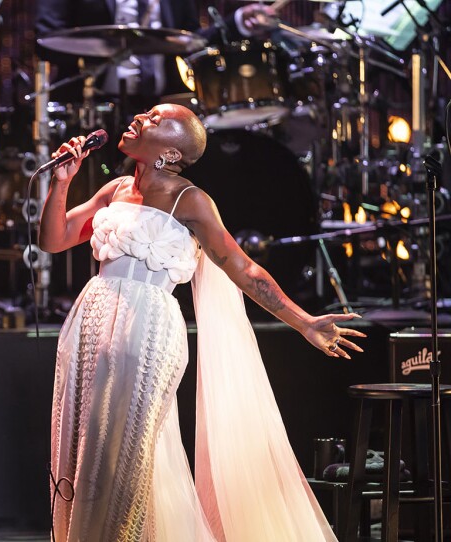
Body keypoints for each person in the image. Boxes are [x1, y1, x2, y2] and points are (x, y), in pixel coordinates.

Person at [38, 103, 365, 541]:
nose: (140, 119)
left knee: (122, 457)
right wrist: (62, 184)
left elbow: (242, 267)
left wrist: (304, 321)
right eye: (146, 114)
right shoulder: (115, 189)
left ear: (171, 153)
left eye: (155, 120)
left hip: (146, 330)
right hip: (91, 323)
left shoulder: (189, 199)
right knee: (81, 448)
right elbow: (54, 238)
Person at [36, 0, 279, 103]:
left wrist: (237, 23)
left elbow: (191, 41)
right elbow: (46, 38)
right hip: (90, 105)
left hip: (164, 105)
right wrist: (106, 46)